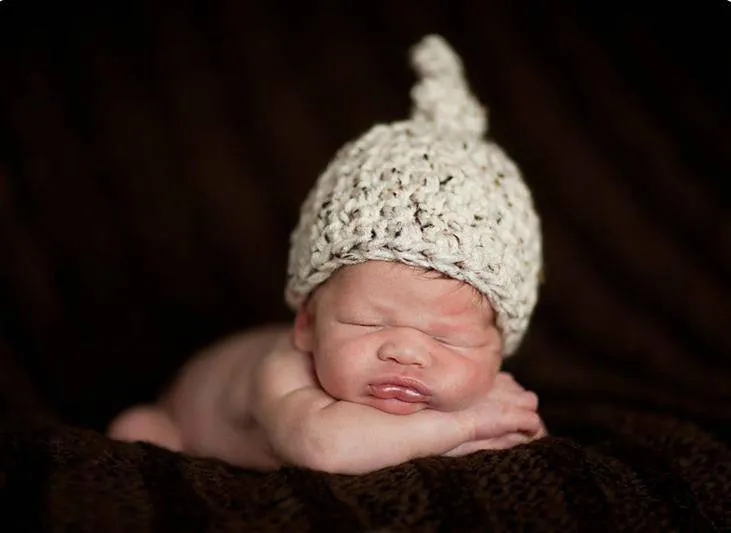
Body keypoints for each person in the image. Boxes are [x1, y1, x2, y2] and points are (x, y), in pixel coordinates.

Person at [107, 34, 547, 475]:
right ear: (307, 324)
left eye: (450, 338)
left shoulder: (472, 385)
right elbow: (326, 448)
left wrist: (505, 422)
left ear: (499, 351)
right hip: (179, 425)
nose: (406, 351)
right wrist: (468, 426)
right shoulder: (282, 372)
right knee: (137, 432)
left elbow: (520, 431)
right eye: (368, 322)